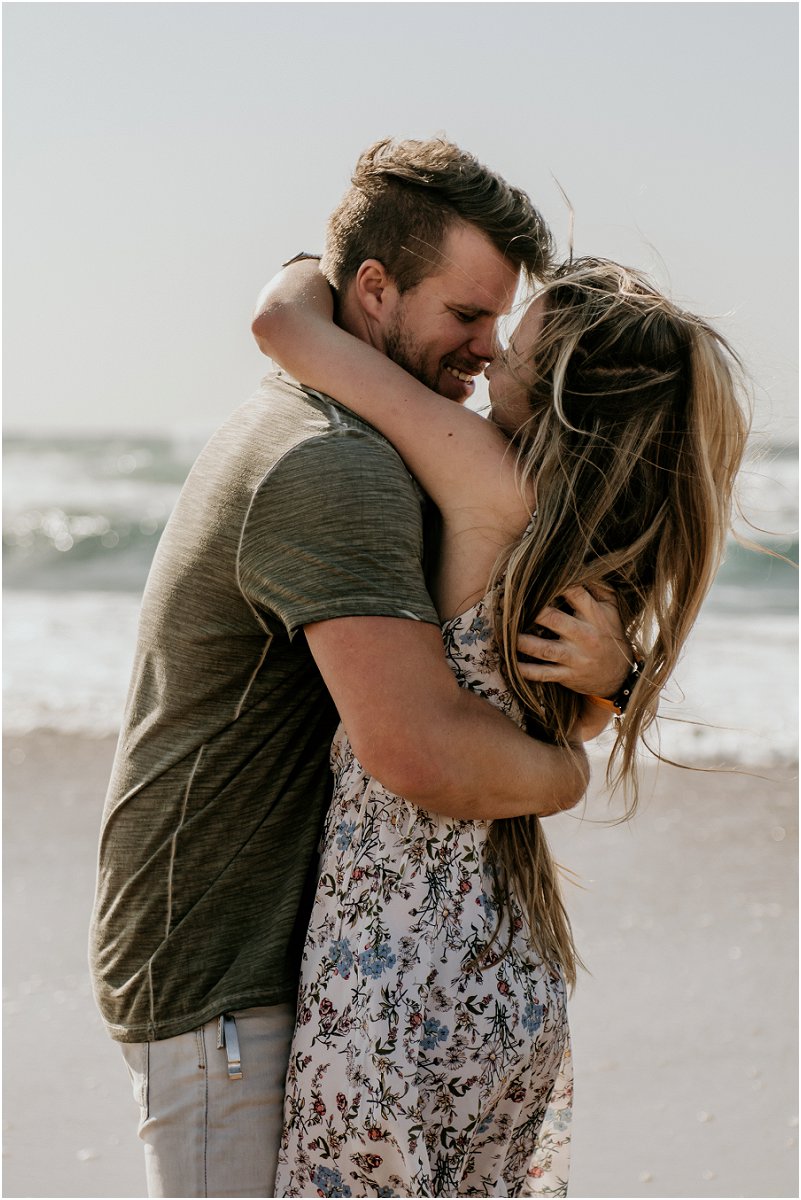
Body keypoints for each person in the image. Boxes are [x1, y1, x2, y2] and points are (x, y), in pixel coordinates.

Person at [89, 137, 630, 1199]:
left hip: (265, 951)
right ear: (374, 290)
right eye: (465, 315)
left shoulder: (350, 423)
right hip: (226, 969)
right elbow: (419, 751)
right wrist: (569, 777)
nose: (485, 352)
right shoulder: (336, 461)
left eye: (498, 322)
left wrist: (606, 680)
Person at [251, 250, 750, 1197]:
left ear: (559, 395)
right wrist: (615, 685)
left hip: (392, 964)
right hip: (507, 974)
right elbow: (574, 725)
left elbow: (282, 329)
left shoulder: (482, 473)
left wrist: (318, 261)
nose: (486, 359)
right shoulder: (591, 542)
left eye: (513, 351)